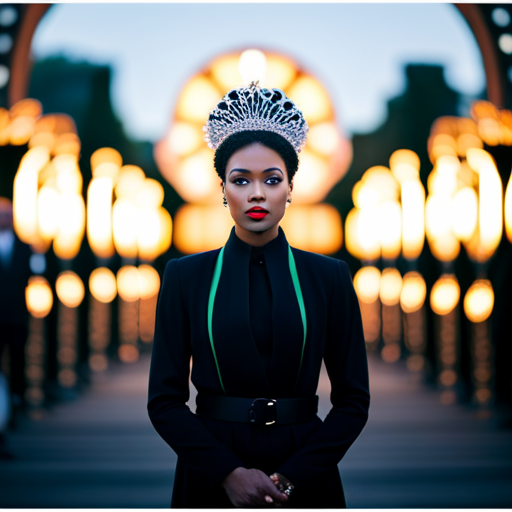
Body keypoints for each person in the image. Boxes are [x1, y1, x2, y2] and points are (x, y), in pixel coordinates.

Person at [148, 83, 370, 508]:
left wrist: (292, 478)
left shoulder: (329, 277)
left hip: (306, 466)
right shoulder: (185, 276)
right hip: (211, 467)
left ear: (290, 188)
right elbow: (163, 401)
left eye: (271, 180)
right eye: (240, 180)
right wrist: (227, 474)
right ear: (222, 189)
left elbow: (354, 400)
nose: (256, 193)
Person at [0, 197, 32, 459]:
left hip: (17, 317)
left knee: (18, 361)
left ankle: (18, 400)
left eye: (8, 214)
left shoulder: (25, 246)